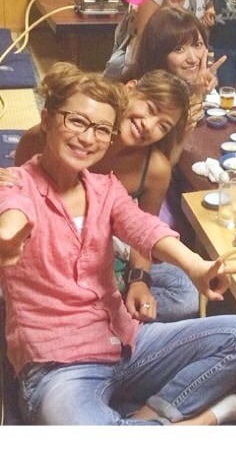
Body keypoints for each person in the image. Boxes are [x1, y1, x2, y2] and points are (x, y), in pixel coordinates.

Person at [0, 63, 236, 425]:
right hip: (59, 365)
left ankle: (149, 415)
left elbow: (143, 226)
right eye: (77, 122)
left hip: (123, 342)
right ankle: (204, 421)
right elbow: (12, 215)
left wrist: (195, 266)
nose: (88, 138)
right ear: (47, 119)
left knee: (235, 335)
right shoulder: (16, 184)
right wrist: (8, 237)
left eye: (101, 130)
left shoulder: (105, 188)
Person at [9, 68, 199, 323]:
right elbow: (19, 192)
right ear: (129, 89)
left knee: (187, 294)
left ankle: (96, 313)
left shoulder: (154, 168)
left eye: (162, 126)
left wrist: (139, 280)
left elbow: (143, 230)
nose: (148, 125)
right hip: (49, 250)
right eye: (150, 109)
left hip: (109, 252)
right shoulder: (44, 137)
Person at [124, 6, 224, 133]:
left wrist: (197, 91)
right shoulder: (141, 97)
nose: (193, 59)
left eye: (197, 45)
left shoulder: (176, 87)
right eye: (179, 49)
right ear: (157, 52)